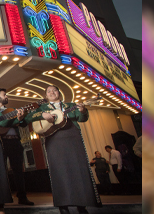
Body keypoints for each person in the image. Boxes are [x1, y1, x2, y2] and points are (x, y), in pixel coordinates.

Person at [24, 85, 101, 214]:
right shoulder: (43, 108)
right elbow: (28, 118)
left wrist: (82, 111)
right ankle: (63, 205)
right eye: (49, 91)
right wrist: (43, 114)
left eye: (54, 90)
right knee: (59, 172)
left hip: (73, 138)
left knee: (78, 170)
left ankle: (82, 205)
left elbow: (82, 119)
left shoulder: (70, 105)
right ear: (46, 95)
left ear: (59, 93)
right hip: (54, 141)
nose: (52, 92)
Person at [0, 88, 35, 206]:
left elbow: (24, 123)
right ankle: (2, 199)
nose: (7, 97)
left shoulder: (12, 110)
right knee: (1, 171)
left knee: (18, 171)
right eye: (4, 95)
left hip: (15, 142)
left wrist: (20, 119)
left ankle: (22, 197)